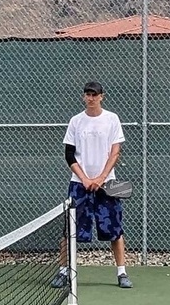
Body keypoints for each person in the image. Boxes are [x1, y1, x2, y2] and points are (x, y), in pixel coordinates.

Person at [52, 81, 132, 289]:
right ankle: (63, 272)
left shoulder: (112, 119)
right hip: (79, 186)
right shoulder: (75, 122)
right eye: (87, 94)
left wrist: (101, 178)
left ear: (101, 97)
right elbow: (69, 154)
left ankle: (122, 273)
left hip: (107, 185)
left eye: (94, 95)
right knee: (69, 231)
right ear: (83, 97)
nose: (90, 98)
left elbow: (115, 152)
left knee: (115, 230)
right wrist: (86, 179)